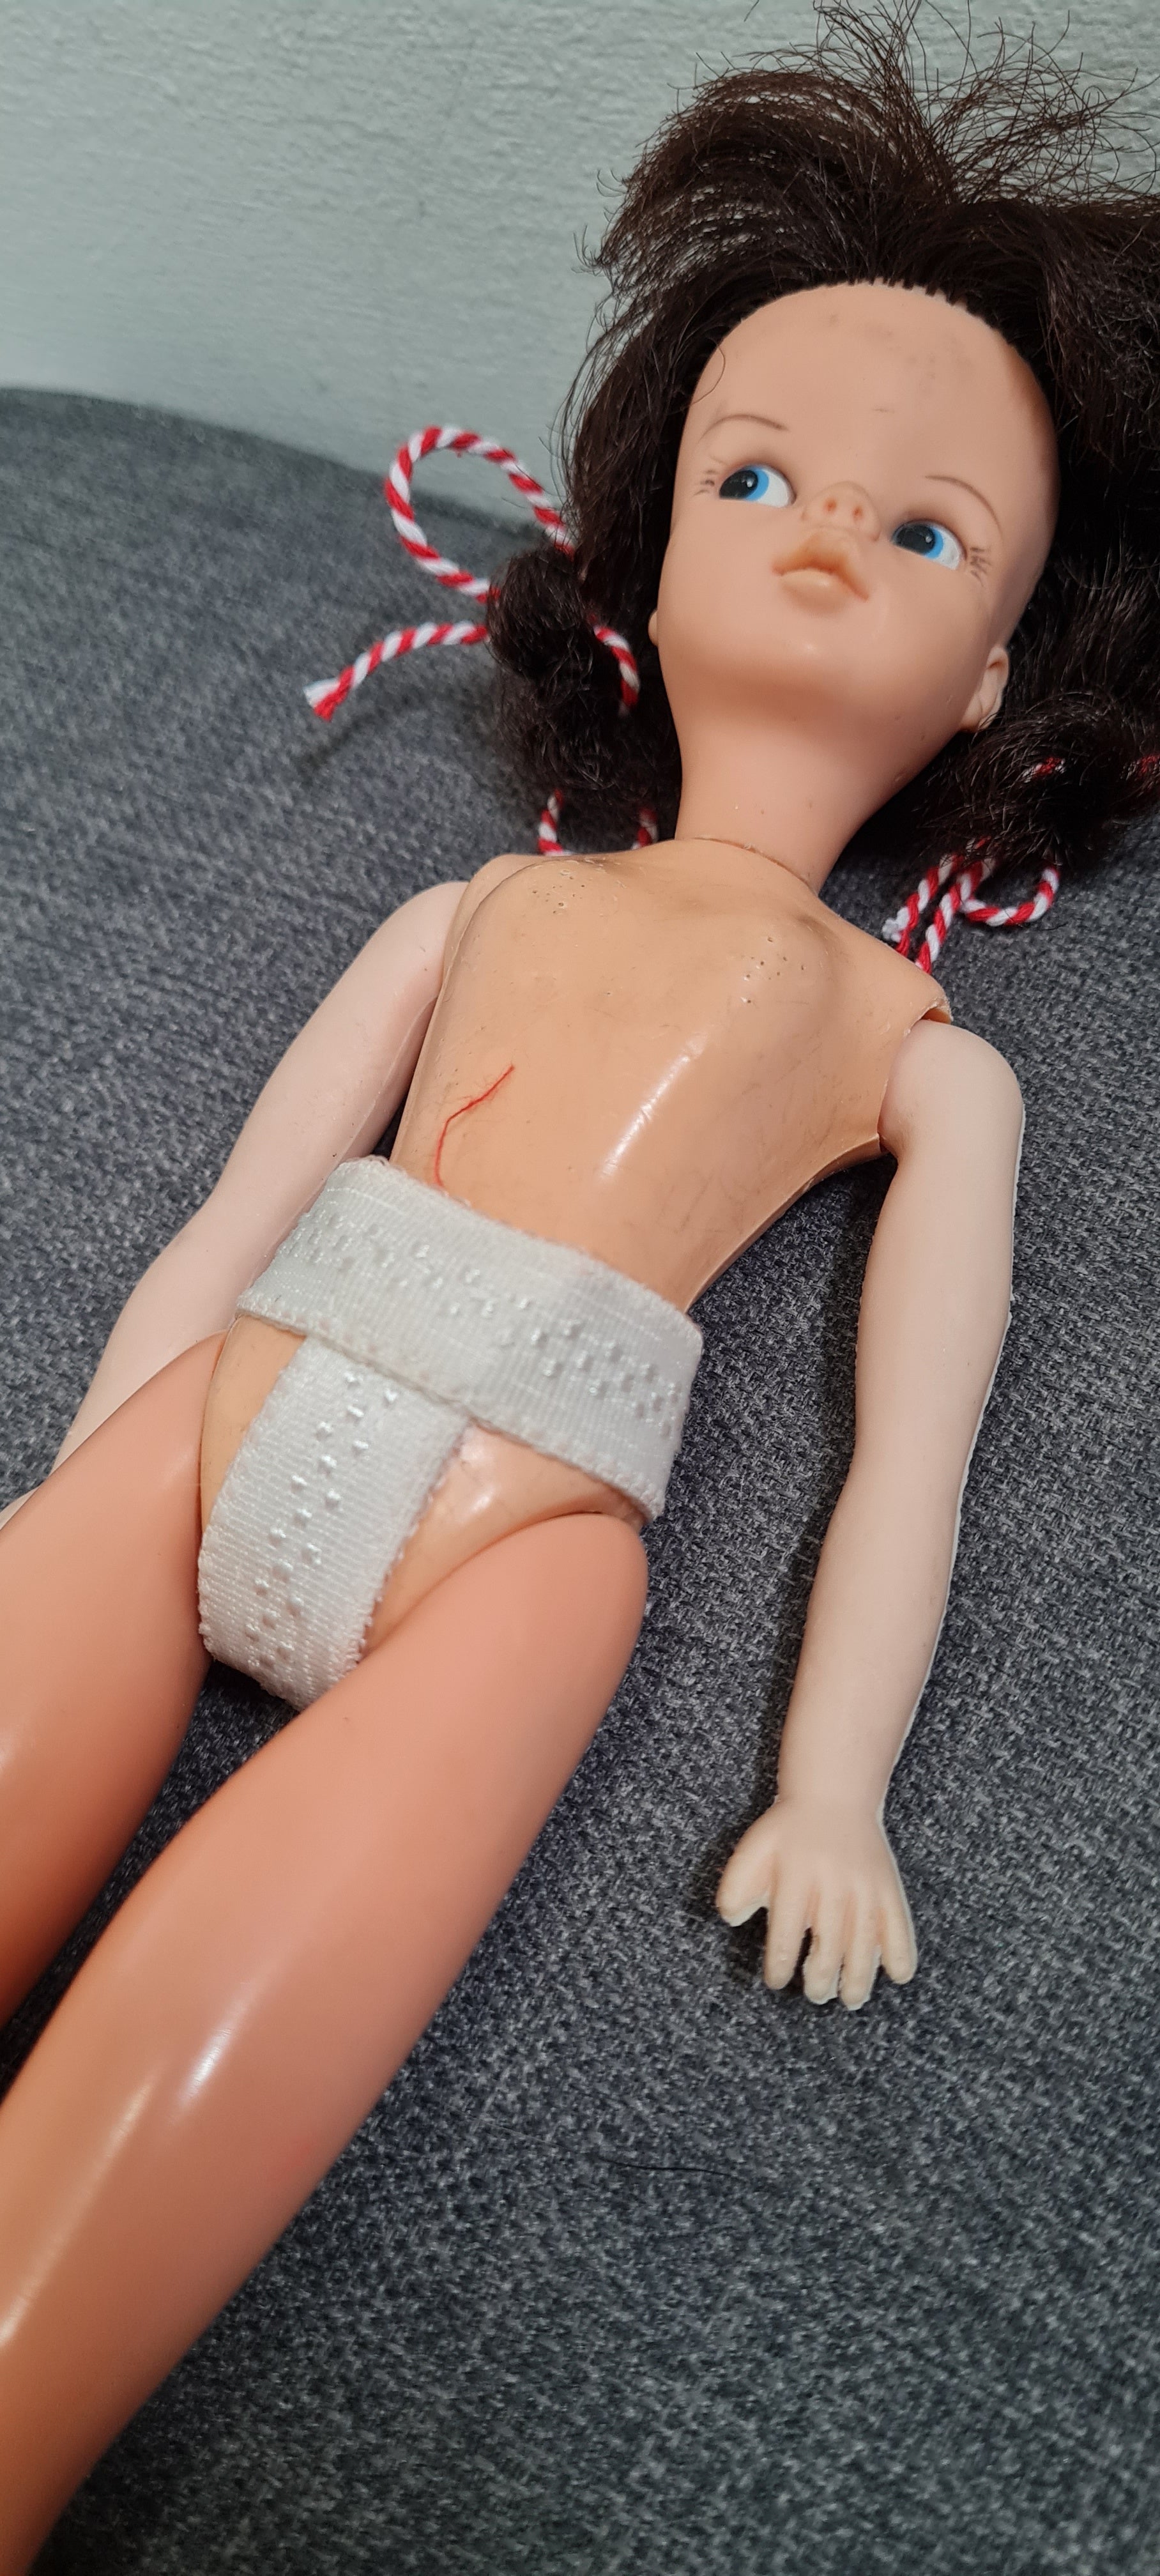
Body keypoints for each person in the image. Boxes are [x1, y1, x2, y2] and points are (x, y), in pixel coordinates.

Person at [1, 13, 1158, 2561]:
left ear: (991, 677)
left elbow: (912, 1458)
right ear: (645, 556)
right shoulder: (482, 907)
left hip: (522, 1556)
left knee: (185, 2077)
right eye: (756, 474)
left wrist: (833, 1788)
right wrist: (84, 1494)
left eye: (926, 530)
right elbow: (236, 1210)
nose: (824, 534)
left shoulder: (920, 1050)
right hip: (227, 1419)